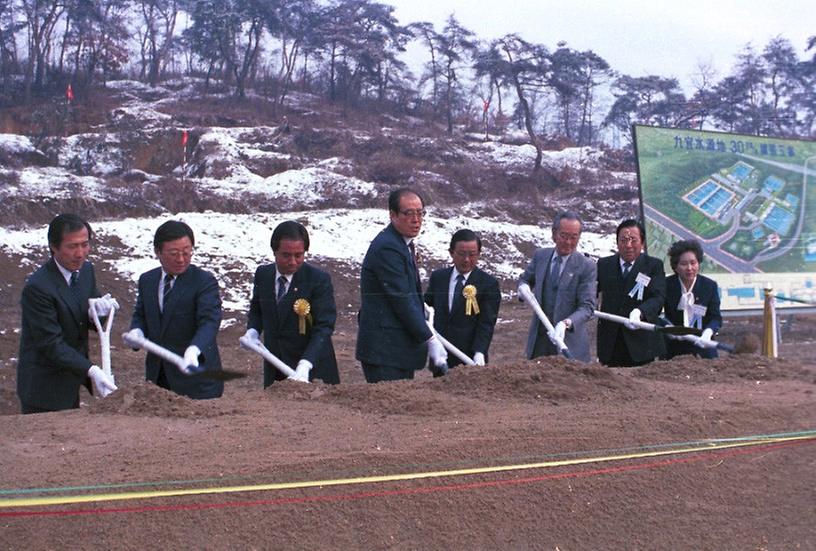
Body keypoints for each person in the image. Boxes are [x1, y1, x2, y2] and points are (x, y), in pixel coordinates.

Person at [17, 213, 117, 413]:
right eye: (72, 246)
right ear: (54, 247)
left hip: (70, 380)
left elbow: (86, 316)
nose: (80, 253)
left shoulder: (86, 271)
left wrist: (98, 312)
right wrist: (91, 369)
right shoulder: (38, 288)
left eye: (85, 244)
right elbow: (50, 343)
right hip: (43, 387)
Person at [356, 188, 448, 382]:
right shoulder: (388, 248)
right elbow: (402, 299)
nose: (416, 219)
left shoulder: (402, 244)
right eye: (408, 213)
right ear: (393, 215)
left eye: (420, 213)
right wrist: (430, 339)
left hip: (396, 350)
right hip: (385, 351)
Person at [126, 220, 223, 399]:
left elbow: (209, 321)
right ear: (158, 252)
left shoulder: (203, 281)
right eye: (174, 253)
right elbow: (141, 314)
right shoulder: (148, 280)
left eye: (186, 252)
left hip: (198, 379)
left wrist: (194, 349)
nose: (181, 259)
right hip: (158, 376)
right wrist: (137, 330)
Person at [241, 221, 339, 386]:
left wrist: (306, 364)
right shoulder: (263, 274)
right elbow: (257, 310)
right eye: (286, 255)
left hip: (313, 370)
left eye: (299, 255)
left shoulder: (318, 280)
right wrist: (253, 330)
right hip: (275, 369)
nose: (293, 261)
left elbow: (324, 326)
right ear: (274, 251)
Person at [518, 211, 597, 362]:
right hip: (539, 343)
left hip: (569, 345)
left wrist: (566, 323)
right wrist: (523, 288)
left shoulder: (587, 266)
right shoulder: (540, 256)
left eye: (573, 237)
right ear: (554, 234)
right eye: (564, 236)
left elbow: (587, 307)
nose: (568, 242)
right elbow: (525, 279)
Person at [424, 229, 501, 373]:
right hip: (442, 356)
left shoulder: (488, 283)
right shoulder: (438, 278)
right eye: (461, 254)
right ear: (451, 252)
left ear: (478, 254)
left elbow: (486, 323)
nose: (466, 260)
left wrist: (479, 352)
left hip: (469, 359)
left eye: (472, 255)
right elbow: (427, 307)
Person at [596, 219, 666, 367]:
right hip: (611, 340)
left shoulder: (653, 265)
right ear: (617, 242)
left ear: (642, 242)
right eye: (623, 240)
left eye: (633, 240)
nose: (628, 245)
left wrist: (640, 312)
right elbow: (592, 291)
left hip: (641, 342)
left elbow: (658, 298)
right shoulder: (604, 265)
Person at [663, 239, 722, 359]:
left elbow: (716, 317)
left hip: (703, 343)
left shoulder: (709, 286)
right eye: (684, 264)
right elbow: (655, 313)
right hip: (675, 345)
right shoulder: (666, 285)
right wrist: (667, 328)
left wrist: (708, 332)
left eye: (693, 263)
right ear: (675, 266)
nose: (689, 268)